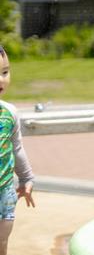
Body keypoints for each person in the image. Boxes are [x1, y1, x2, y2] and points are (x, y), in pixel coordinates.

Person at [0, 45, 35, 255]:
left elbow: (17, 147)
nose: (2, 80)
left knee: (2, 239)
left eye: (4, 72)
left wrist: (26, 178)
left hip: (4, 189)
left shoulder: (9, 113)